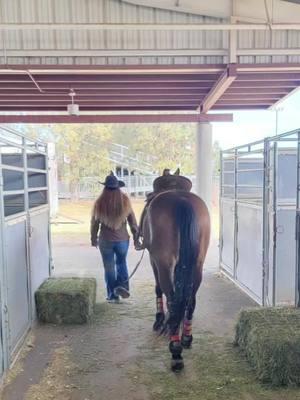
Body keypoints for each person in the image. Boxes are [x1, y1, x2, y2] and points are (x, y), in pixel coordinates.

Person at [90, 172, 139, 303]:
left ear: (105, 187)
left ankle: (112, 295)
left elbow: (94, 223)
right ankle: (123, 287)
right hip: (122, 240)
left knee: (109, 267)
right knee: (122, 263)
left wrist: (93, 238)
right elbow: (132, 221)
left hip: (105, 240)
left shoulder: (99, 203)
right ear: (118, 187)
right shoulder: (125, 201)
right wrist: (136, 237)